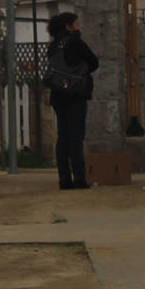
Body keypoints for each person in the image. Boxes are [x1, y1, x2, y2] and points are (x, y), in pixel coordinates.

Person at [46, 11, 99, 190]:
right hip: (75, 94)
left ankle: (64, 179)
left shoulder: (53, 46)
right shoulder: (75, 42)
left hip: (58, 95)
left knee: (63, 137)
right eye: (77, 24)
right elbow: (93, 62)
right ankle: (80, 179)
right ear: (69, 26)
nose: (79, 28)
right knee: (76, 138)